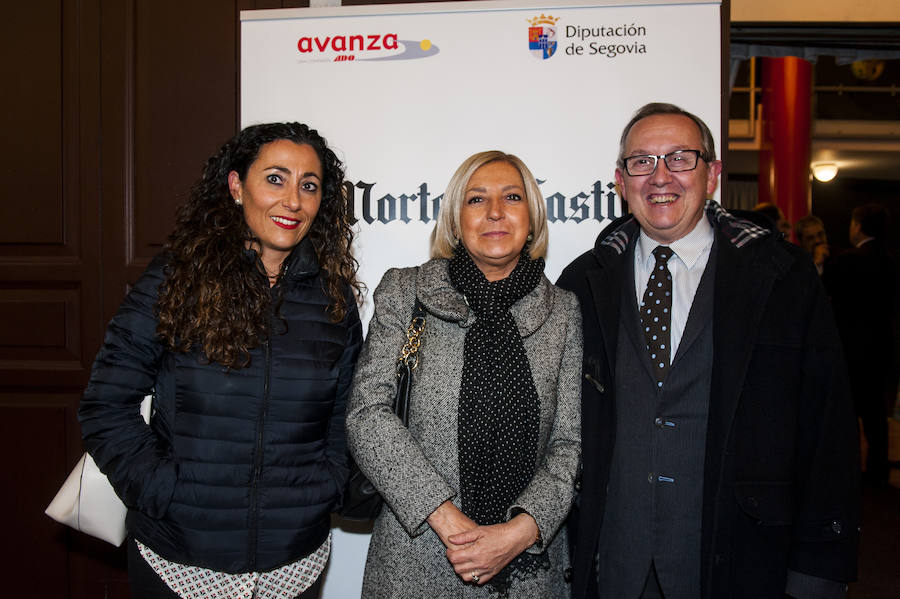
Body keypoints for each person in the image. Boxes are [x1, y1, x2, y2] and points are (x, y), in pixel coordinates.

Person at [557, 103, 860, 599]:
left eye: (680, 158)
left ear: (712, 173)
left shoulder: (781, 278)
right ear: (620, 179)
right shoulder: (582, 282)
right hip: (612, 563)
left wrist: (818, 569)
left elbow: (827, 427)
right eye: (642, 162)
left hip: (740, 557)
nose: (660, 177)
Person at [78, 123, 362, 599]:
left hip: (294, 563)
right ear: (236, 187)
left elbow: (344, 415)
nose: (293, 200)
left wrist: (325, 488)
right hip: (177, 558)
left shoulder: (332, 297)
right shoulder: (177, 277)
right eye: (275, 178)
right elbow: (106, 405)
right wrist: (162, 491)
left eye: (308, 186)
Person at [347, 151, 582, 598]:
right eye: (477, 200)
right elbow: (368, 413)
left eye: (512, 197)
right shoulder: (405, 290)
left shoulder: (564, 312)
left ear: (531, 219)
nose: (495, 211)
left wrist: (520, 530)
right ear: (455, 221)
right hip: (415, 556)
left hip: (528, 567)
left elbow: (569, 442)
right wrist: (449, 521)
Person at [824, 203, 897, 487]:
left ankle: (850, 471)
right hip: (880, 346)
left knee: (849, 413)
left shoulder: (847, 261)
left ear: (859, 226)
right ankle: (879, 470)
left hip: (850, 347)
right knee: (877, 413)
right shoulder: (889, 261)